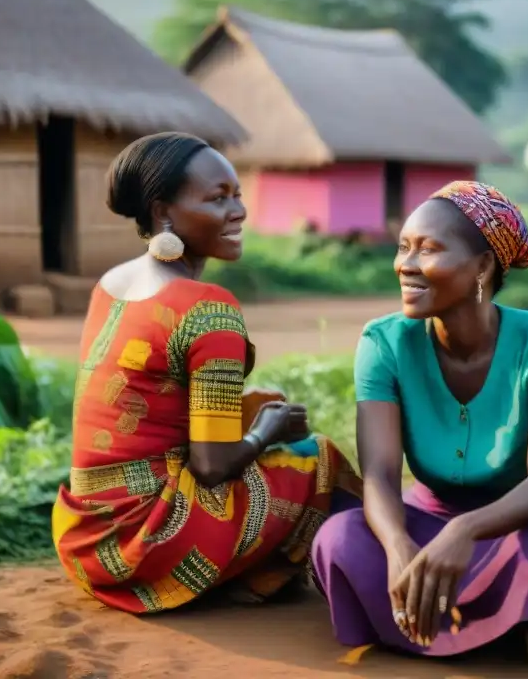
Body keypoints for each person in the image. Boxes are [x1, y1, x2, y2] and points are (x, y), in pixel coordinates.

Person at [51, 132, 361, 613]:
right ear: (162, 212)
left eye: (237, 195)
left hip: (84, 542)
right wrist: (265, 430)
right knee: (316, 456)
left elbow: (150, 402)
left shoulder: (111, 284)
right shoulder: (207, 309)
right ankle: (360, 586)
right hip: (146, 543)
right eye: (218, 199)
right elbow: (211, 467)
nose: (238, 211)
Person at [311, 181, 528, 661]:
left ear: (483, 266)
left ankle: (450, 621)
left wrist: (465, 531)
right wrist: (397, 547)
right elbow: (381, 476)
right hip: (427, 521)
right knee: (340, 539)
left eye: (429, 249)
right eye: (404, 247)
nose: (406, 265)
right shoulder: (383, 343)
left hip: (523, 521)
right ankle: (508, 623)